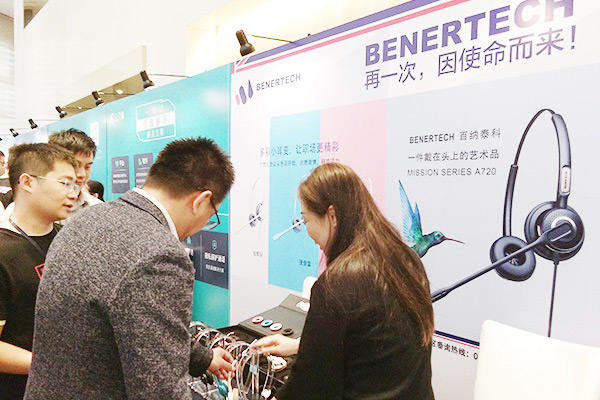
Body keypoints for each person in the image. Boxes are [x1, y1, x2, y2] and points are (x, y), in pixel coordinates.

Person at [25, 137, 236, 399]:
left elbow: (133, 324)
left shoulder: (89, 217)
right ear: (201, 201)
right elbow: (160, 391)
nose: (205, 224)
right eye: (211, 216)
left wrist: (203, 358)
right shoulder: (161, 255)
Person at [252, 163, 435, 400]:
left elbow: (309, 388)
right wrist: (301, 346)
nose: (307, 232)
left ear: (332, 216)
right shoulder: (407, 260)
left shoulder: (337, 284)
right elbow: (375, 346)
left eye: (306, 220)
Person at [0, 143, 79, 399]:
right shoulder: (4, 252)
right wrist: (52, 366)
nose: (73, 194)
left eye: (75, 185)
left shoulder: (72, 239)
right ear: (27, 182)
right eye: (64, 183)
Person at [47, 128, 102, 222]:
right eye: (75, 165)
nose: (82, 174)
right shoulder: (36, 207)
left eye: (87, 167)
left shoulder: (98, 209)